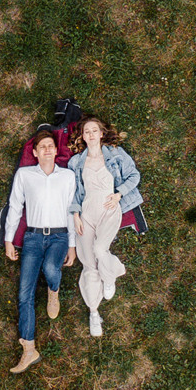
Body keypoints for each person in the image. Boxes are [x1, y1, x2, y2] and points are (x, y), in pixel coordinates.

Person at [1, 127, 78, 373]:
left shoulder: (67, 176)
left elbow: (72, 210)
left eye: (50, 146)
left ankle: (54, 290)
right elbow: (15, 206)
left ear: (56, 151)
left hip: (59, 236)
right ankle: (29, 349)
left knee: (51, 267)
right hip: (33, 237)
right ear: (35, 152)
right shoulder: (24, 175)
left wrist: (72, 245)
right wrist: (8, 239)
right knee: (24, 294)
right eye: (42, 146)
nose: (46, 149)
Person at [68, 115, 141, 337]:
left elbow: (134, 176)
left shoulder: (116, 154)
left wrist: (119, 195)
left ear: (101, 134)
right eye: (86, 131)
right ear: (82, 136)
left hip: (109, 209)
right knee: (89, 263)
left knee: (100, 249)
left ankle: (110, 276)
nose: (90, 134)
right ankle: (94, 312)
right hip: (86, 213)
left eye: (94, 130)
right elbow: (73, 192)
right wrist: (75, 214)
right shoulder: (75, 162)